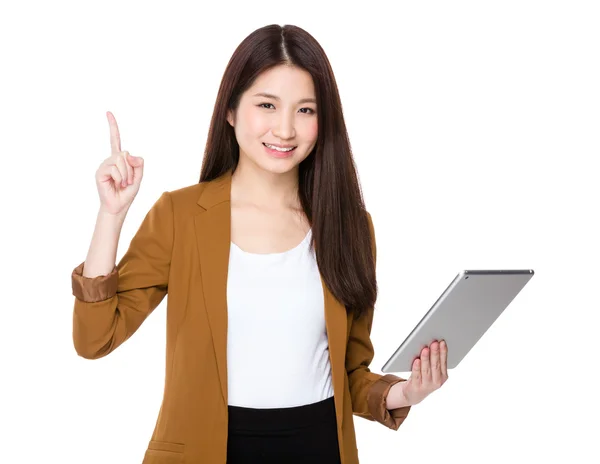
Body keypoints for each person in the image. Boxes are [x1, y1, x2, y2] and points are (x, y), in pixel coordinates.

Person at [71, 24, 449, 464]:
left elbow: (349, 373)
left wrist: (407, 391)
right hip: (208, 450)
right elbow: (94, 339)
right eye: (267, 105)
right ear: (230, 110)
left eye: (305, 110)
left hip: (319, 445)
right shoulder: (182, 216)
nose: (285, 129)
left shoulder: (350, 227)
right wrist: (111, 215)